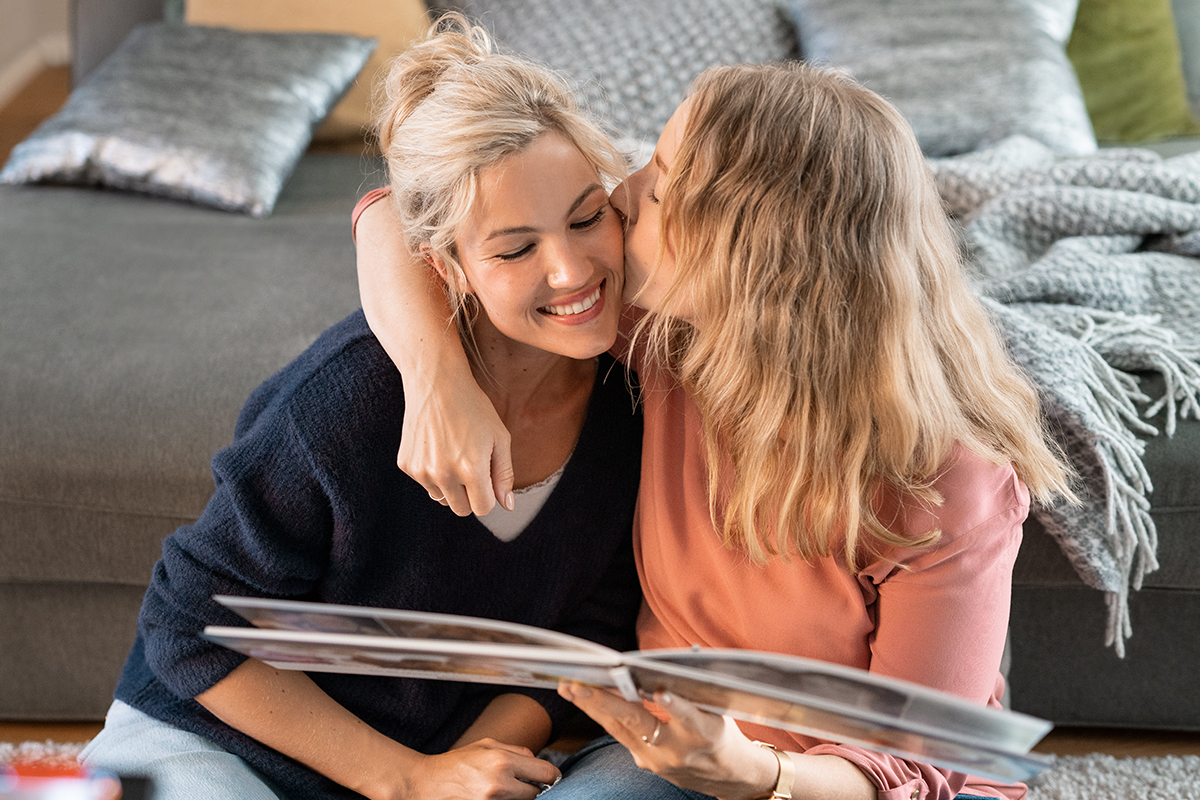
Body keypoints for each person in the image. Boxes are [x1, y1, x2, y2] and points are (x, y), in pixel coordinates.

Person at [353, 58, 1074, 800]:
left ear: (751, 261)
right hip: (679, 756)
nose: (623, 197)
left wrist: (754, 774)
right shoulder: (672, 335)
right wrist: (436, 380)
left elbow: (917, 769)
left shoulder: (948, 478)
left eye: (659, 186)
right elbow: (387, 214)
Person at [79, 17, 645, 800]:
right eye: (515, 250)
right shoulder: (351, 400)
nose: (572, 269)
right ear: (446, 265)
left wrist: (466, 765)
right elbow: (187, 626)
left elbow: (589, 626)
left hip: (431, 754)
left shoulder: (631, 402)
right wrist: (405, 780)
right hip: (231, 739)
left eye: (588, 218)